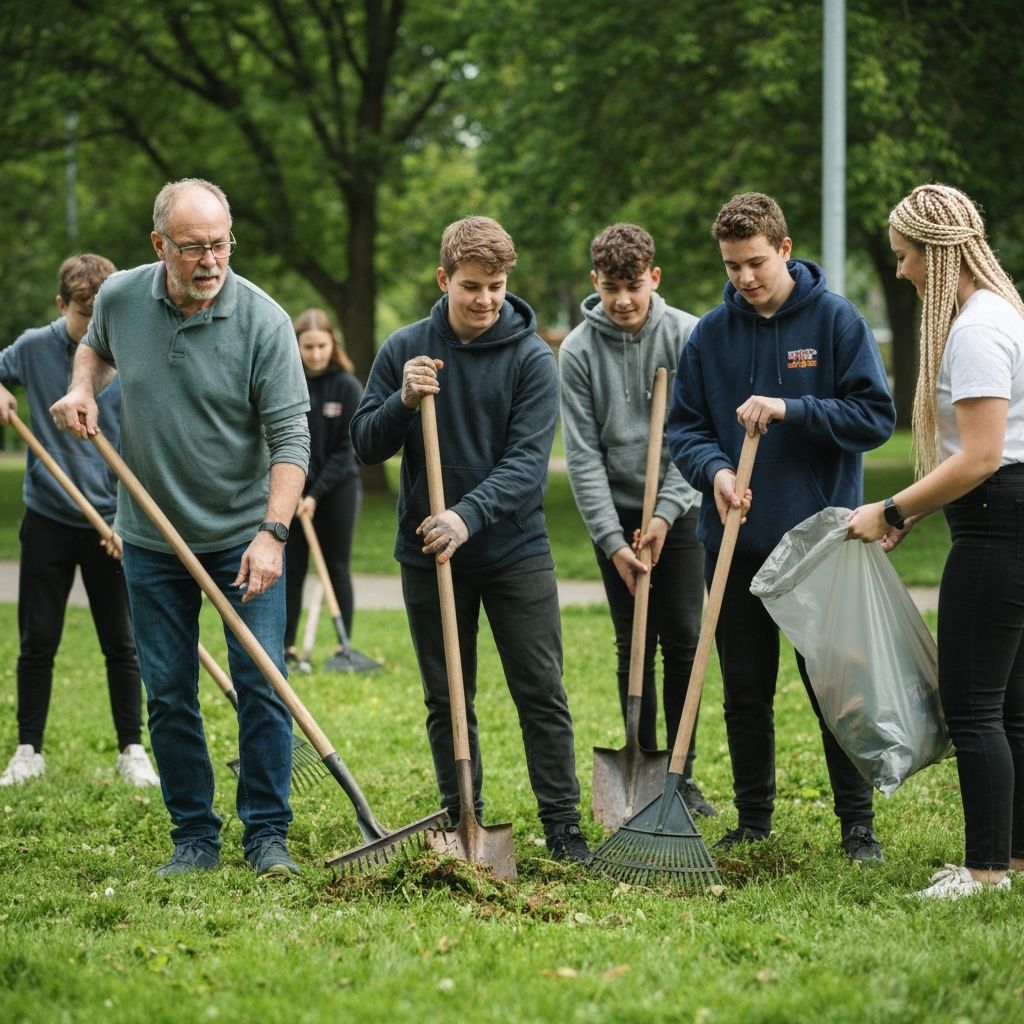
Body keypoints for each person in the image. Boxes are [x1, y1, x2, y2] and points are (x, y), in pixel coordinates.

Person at [49, 179, 310, 879]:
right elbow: (97, 350)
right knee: (167, 692)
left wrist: (272, 533)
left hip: (241, 532)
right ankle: (194, 835)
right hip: (150, 537)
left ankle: (267, 835)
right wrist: (82, 387)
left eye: (220, 244)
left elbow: (291, 439)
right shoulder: (122, 298)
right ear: (159, 244)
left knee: (262, 685)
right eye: (192, 247)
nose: (209, 261)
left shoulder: (265, 322)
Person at [350, 215, 590, 861]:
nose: (485, 299)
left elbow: (525, 466)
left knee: (541, 689)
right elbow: (364, 443)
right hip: (428, 552)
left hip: (512, 550)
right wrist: (401, 401)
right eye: (472, 286)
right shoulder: (406, 347)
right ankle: (463, 818)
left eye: (497, 285)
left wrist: (466, 514)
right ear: (444, 279)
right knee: (447, 694)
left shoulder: (532, 358)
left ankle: (564, 827)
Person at [667, 192, 896, 861]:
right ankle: (754, 820)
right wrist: (714, 472)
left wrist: (792, 408)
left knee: (836, 692)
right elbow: (685, 429)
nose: (744, 277)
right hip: (735, 543)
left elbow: (874, 418)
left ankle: (858, 827)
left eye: (757, 262)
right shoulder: (710, 335)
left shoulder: (835, 321)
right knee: (744, 690)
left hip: (821, 544)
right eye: (733, 265)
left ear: (786, 249)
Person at [848, 183, 1024, 898]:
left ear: (937, 252)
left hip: (995, 526)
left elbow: (981, 457)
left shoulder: (977, 329)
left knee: (974, 707)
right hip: (1008, 512)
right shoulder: (1004, 313)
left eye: (904, 256)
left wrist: (889, 509)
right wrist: (920, 512)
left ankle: (982, 870)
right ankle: (1010, 861)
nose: (900, 271)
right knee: (1013, 710)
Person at [559, 222, 715, 816]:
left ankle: (680, 774)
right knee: (634, 644)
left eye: (634, 285)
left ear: (655, 277)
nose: (622, 300)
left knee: (682, 639)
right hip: (617, 514)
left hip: (680, 505)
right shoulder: (576, 351)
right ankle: (642, 770)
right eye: (611, 287)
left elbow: (698, 436)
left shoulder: (687, 336)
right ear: (595, 282)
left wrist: (667, 514)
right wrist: (612, 540)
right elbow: (582, 457)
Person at [0, 255, 158, 789]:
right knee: (37, 640)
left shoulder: (133, 348)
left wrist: (128, 521)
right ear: (61, 304)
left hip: (114, 524)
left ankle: (132, 748)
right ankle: (28, 748)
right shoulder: (33, 348)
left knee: (122, 641)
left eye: (101, 315)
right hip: (47, 517)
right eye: (83, 315)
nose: (93, 328)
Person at [283, 308, 364, 667]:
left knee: (337, 566)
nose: (315, 354)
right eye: (308, 347)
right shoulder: (286, 381)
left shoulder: (347, 386)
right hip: (294, 489)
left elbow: (350, 449)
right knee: (292, 567)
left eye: (322, 346)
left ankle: (342, 649)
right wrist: (297, 487)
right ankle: (286, 646)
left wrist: (315, 495)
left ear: (333, 344)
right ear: (296, 346)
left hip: (338, 490)